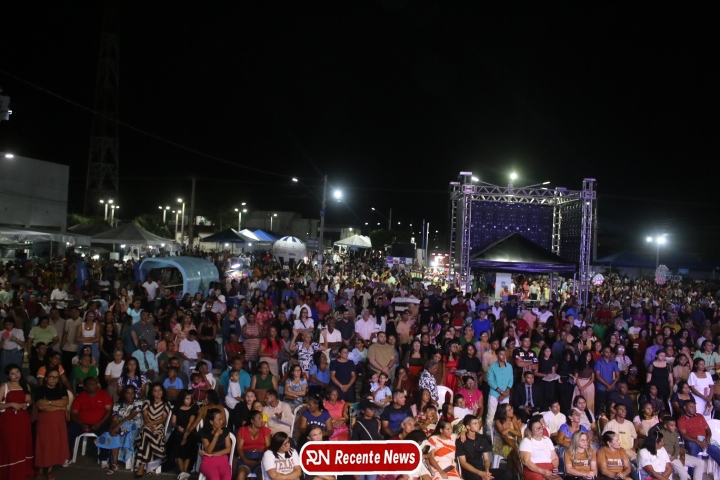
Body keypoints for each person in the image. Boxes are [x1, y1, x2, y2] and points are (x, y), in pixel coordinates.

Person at [95, 385, 144, 473]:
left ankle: (116, 462)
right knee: (115, 434)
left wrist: (117, 426)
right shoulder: (118, 405)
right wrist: (111, 428)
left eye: (132, 393)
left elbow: (131, 416)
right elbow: (114, 419)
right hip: (120, 428)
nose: (130, 395)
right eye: (128, 393)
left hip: (134, 428)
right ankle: (115, 464)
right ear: (124, 394)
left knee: (125, 427)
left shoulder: (138, 402)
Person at [34, 366, 70, 479]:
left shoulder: (61, 388)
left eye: (56, 377)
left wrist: (49, 402)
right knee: (43, 444)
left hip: (58, 421)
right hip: (45, 421)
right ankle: (40, 470)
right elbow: (41, 406)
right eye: (51, 377)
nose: (54, 379)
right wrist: (59, 407)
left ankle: (50, 469)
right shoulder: (40, 390)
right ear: (46, 378)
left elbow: (65, 402)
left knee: (55, 444)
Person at [0, 364, 34, 480]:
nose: (16, 375)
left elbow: (29, 401)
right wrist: (10, 404)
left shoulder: (25, 385)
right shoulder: (4, 387)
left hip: (23, 419)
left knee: (22, 444)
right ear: (7, 376)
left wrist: (26, 405)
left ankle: (21, 472)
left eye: (17, 372)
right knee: (10, 446)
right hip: (9, 420)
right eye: (12, 373)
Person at [133, 383, 171, 476]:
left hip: (158, 429)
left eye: (160, 390)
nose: (158, 392)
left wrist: (151, 424)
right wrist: (149, 425)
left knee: (145, 435)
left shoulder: (166, 403)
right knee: (146, 431)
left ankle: (141, 465)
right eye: (155, 391)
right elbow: (145, 416)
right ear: (152, 393)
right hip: (148, 426)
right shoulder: (147, 402)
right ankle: (160, 453)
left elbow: (163, 419)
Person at [653, 415, 704, 480]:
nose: (674, 427)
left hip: (675, 456)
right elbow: (658, 448)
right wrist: (669, 457)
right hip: (666, 458)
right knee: (682, 475)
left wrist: (676, 456)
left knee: (699, 464)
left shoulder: (675, 434)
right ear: (665, 426)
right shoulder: (660, 434)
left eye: (675, 425)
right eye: (672, 425)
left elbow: (677, 447)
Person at [165, 391, 198, 480]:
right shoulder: (176, 408)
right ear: (182, 399)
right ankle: (183, 472)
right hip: (179, 430)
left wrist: (185, 435)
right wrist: (177, 426)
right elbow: (173, 422)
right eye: (187, 398)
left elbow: (191, 422)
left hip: (190, 430)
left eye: (190, 398)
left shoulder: (194, 407)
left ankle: (185, 470)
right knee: (177, 441)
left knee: (188, 443)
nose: (189, 400)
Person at [677, 398, 720, 465]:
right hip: (692, 441)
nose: (694, 408)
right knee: (693, 450)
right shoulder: (681, 420)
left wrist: (708, 437)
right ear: (685, 408)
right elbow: (684, 435)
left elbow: (708, 429)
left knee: (716, 450)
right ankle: (693, 471)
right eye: (691, 407)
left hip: (704, 440)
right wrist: (697, 441)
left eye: (694, 407)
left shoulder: (700, 416)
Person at [519, 415, 561, 480]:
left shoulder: (547, 440)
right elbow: (526, 461)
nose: (540, 430)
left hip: (549, 470)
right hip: (534, 470)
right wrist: (542, 471)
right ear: (530, 431)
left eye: (541, 427)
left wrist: (554, 469)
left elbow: (554, 458)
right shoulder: (527, 441)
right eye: (537, 429)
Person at [199, 408, 234, 480]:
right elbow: (209, 450)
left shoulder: (225, 431)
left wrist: (212, 454)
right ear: (211, 422)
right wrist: (216, 435)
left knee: (227, 477)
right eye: (219, 420)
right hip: (208, 462)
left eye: (222, 419)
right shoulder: (204, 433)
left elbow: (228, 449)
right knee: (214, 477)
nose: (222, 421)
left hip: (223, 461)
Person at [236, 410, 271, 480]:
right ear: (252, 421)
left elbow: (268, 447)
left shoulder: (265, 430)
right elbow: (239, 448)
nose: (261, 421)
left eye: (262, 418)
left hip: (261, 459)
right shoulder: (243, 430)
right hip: (246, 458)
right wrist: (246, 460)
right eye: (259, 419)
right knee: (241, 474)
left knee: (262, 475)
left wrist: (262, 459)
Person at [487, 347, 513, 431]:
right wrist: (501, 392)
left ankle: (505, 432)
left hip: (505, 394)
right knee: (491, 414)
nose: (503, 356)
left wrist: (506, 392)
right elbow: (490, 381)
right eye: (501, 354)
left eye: (504, 354)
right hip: (494, 394)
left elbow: (511, 380)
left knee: (506, 415)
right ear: (497, 355)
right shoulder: (492, 367)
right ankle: (489, 433)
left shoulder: (509, 366)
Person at [493, 404, 523, 474]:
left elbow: (519, 434)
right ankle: (521, 474)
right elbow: (505, 438)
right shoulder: (498, 421)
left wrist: (509, 429)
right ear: (504, 413)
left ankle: (515, 475)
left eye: (511, 408)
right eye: (509, 410)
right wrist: (515, 447)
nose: (512, 411)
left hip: (512, 442)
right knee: (512, 452)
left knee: (513, 453)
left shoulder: (513, 418)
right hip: (500, 444)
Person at [594, 346, 619, 417]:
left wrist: (611, 385)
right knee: (598, 406)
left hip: (612, 388)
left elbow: (617, 376)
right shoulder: (598, 362)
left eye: (609, 352)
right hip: (601, 388)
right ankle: (597, 419)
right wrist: (608, 385)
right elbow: (597, 376)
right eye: (606, 352)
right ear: (602, 353)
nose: (608, 353)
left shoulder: (613, 362)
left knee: (612, 406)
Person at [0, 318, 26, 383]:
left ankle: (18, 385)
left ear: (13, 324)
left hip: (16, 352)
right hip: (5, 353)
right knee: (3, 370)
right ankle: (5, 386)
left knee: (17, 369)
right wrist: (3, 340)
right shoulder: (1, 332)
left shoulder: (19, 331)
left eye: (10, 324)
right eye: (6, 325)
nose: (8, 326)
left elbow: (23, 344)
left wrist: (16, 339)